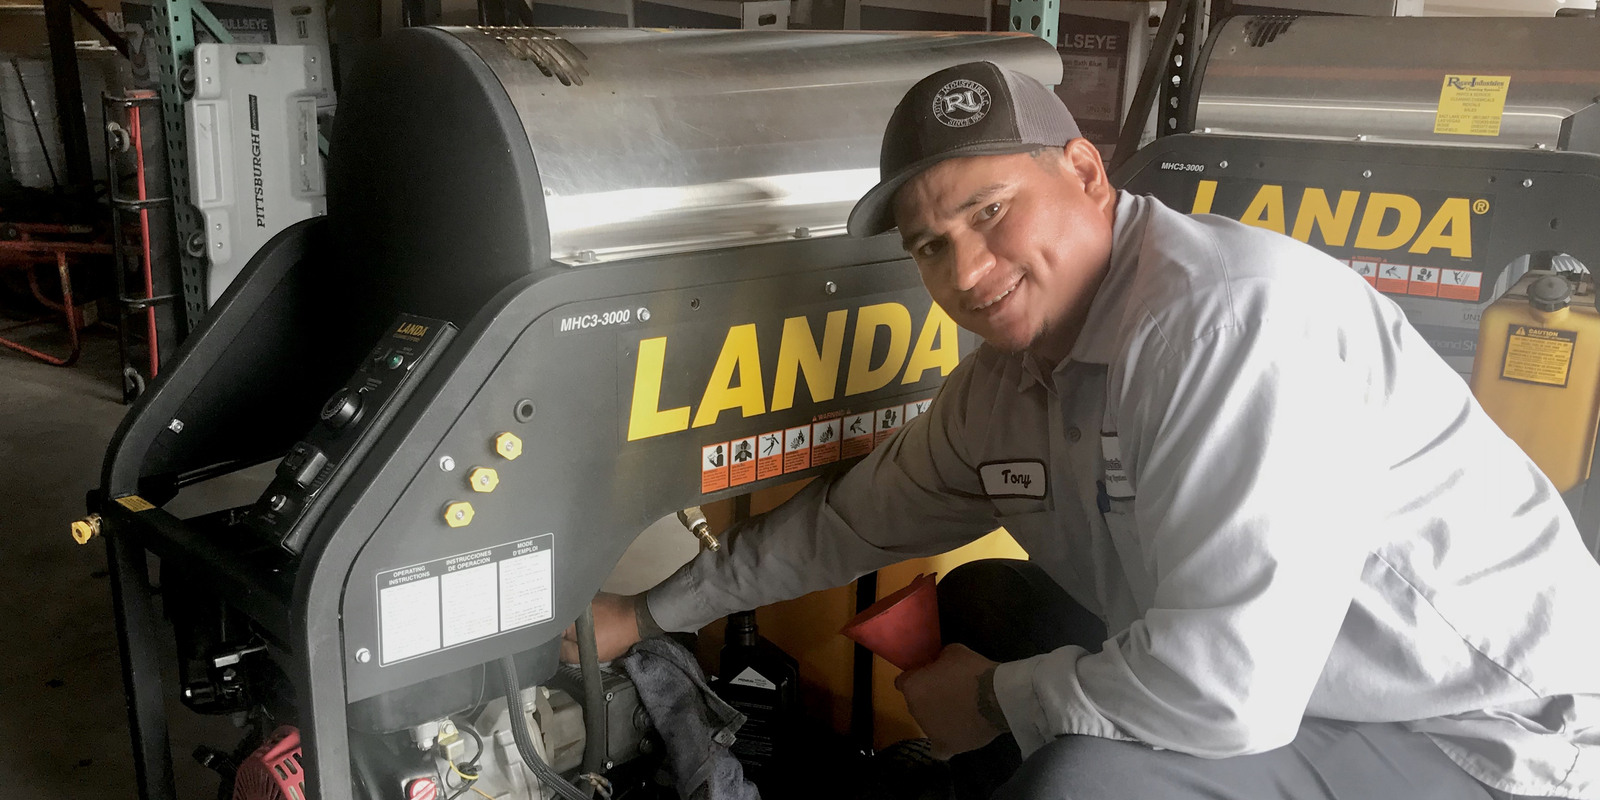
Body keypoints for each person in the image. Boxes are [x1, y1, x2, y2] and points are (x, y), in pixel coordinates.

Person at [563, 61, 1600, 799]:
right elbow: (852, 521)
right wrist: (646, 610)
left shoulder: (1226, 326)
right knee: (985, 598)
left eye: (989, 210)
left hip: (1477, 737)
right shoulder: (1010, 377)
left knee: (1083, 779)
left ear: (1087, 172)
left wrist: (995, 698)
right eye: (930, 244)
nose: (964, 272)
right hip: (1300, 677)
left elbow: (1225, 693)